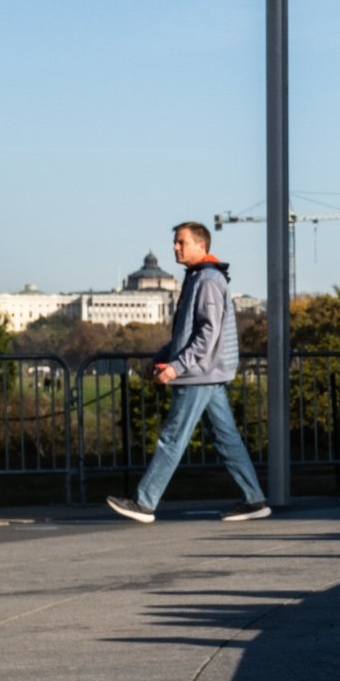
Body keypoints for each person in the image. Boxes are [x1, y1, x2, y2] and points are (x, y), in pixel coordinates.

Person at [106, 222, 269, 524]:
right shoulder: (201, 277)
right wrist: (161, 359)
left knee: (173, 437)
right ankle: (254, 499)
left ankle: (144, 502)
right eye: (175, 242)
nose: (175, 247)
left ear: (200, 245)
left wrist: (176, 367)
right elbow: (187, 334)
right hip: (207, 372)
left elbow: (207, 334)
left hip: (199, 373)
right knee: (226, 438)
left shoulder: (206, 279)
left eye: (181, 242)